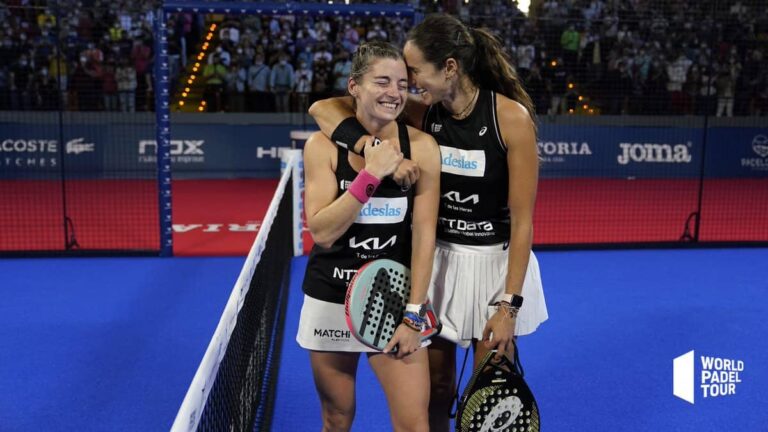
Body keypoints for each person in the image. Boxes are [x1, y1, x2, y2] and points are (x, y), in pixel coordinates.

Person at [308, 14, 548, 431]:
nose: (406, 80)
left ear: (449, 68)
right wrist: (370, 146)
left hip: (495, 268)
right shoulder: (423, 110)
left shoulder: (510, 119)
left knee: (488, 393)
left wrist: (510, 305)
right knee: (437, 389)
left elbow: (524, 221)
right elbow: (322, 108)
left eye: (413, 71)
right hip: (438, 265)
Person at [297, 40, 441, 432]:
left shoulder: (423, 147)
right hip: (330, 297)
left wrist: (414, 315)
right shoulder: (320, 146)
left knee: (415, 424)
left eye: (401, 83)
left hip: (394, 302)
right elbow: (323, 233)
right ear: (354, 87)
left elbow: (425, 233)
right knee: (337, 417)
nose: (394, 92)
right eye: (382, 81)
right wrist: (371, 173)